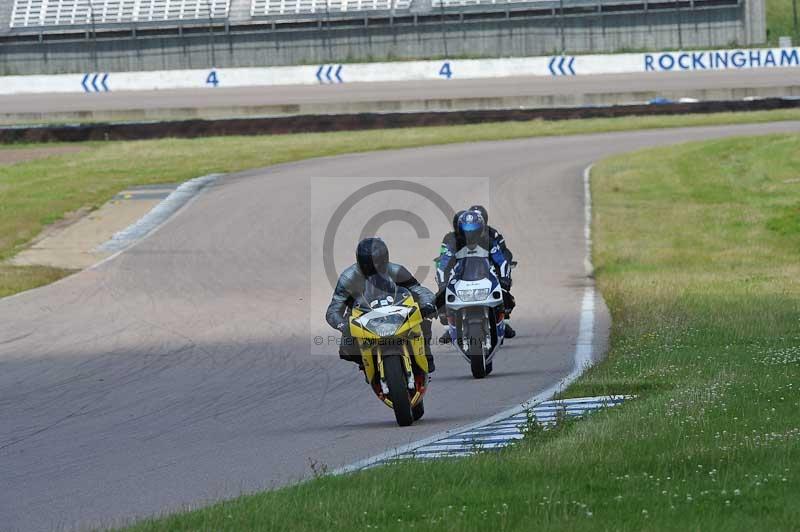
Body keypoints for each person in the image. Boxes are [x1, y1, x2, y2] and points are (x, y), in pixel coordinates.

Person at [326, 237, 438, 372]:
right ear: (359, 262)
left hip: (397, 309)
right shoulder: (348, 278)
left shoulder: (397, 271)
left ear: (385, 259)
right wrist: (343, 325)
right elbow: (334, 309)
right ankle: (366, 362)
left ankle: (425, 352)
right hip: (362, 314)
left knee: (423, 318)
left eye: (378, 263)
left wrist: (428, 304)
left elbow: (419, 290)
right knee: (347, 349)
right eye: (367, 265)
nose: (373, 268)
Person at [435, 210, 516, 339]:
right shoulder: (453, 244)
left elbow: (502, 262)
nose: (470, 236)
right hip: (460, 279)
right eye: (467, 233)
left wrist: (504, 280)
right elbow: (442, 266)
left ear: (481, 230)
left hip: (486, 276)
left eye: (474, 232)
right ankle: (450, 327)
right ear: (460, 231)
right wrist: (443, 285)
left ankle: (502, 323)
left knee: (506, 295)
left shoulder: (489, 242)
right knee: (439, 300)